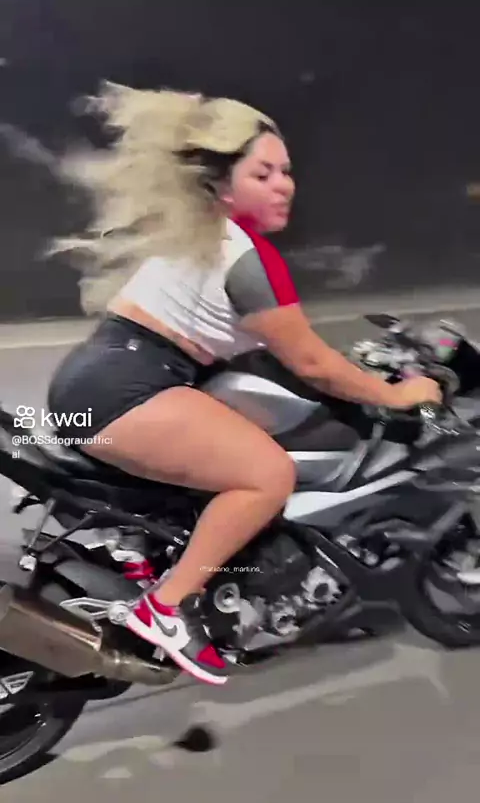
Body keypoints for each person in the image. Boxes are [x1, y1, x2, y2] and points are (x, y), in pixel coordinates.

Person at [46, 82, 441, 686]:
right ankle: (165, 608)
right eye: (263, 173)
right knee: (267, 475)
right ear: (222, 185)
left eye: (286, 171)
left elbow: (276, 353)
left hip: (98, 380)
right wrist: (397, 394)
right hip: (127, 391)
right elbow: (312, 364)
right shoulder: (245, 257)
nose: (285, 185)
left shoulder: (201, 239)